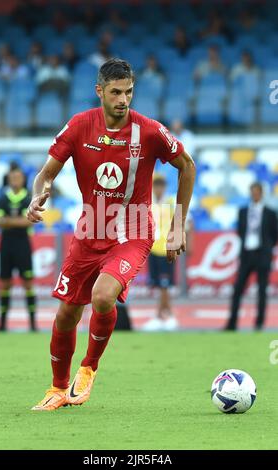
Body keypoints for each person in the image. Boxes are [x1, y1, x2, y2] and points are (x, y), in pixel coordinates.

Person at [27, 58, 195, 411]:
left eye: (129, 92)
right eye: (116, 92)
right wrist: (38, 194)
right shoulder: (78, 126)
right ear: (99, 91)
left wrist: (178, 224)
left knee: (103, 297)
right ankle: (58, 388)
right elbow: (46, 174)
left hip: (133, 230)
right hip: (90, 231)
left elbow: (187, 166)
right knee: (66, 316)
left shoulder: (148, 131)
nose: (124, 99)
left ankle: (88, 369)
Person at [143, 173, 194, 332]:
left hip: (167, 250)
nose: (158, 188)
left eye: (161, 185)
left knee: (165, 285)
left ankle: (163, 315)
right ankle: (165, 315)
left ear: (164, 187)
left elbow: (187, 222)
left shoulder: (172, 202)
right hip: (152, 249)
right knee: (159, 285)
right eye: (156, 185)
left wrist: (188, 242)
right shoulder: (148, 203)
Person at [226, 183, 278, 331]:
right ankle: (232, 323)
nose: (254, 195)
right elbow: (240, 231)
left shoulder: (270, 213)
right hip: (247, 254)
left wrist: (266, 249)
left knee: (262, 291)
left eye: (256, 192)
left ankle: (259, 323)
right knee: (238, 289)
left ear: (261, 193)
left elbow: (274, 235)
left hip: (262, 254)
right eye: (252, 192)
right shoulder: (243, 211)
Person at [0, 167, 37, 332]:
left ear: (23, 179)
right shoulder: (2, 198)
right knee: (5, 284)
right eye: (12, 178)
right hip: (6, 244)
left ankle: (33, 325)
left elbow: (28, 222)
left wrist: (7, 221)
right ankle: (2, 324)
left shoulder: (28, 198)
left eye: (18, 177)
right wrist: (17, 221)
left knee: (28, 283)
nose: (15, 180)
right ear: (9, 179)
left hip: (23, 244)